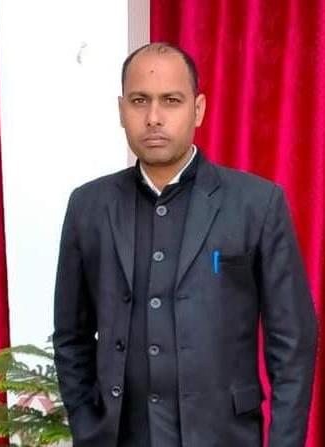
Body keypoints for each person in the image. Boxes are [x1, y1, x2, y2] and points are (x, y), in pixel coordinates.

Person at [53, 43, 318, 447]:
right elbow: (71, 335)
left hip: (225, 437)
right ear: (121, 110)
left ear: (198, 109)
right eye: (139, 101)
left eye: (171, 101)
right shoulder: (88, 206)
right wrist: (88, 426)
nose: (153, 117)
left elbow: (293, 342)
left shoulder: (256, 204)